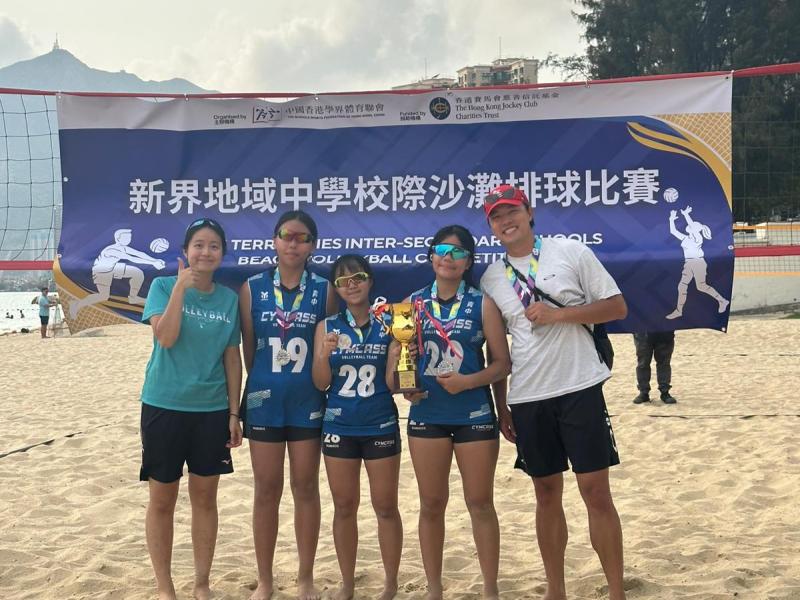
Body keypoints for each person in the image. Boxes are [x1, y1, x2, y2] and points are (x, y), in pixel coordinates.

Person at [479, 184, 628, 600]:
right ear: (491, 227)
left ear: (529, 212)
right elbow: (498, 351)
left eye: (512, 211)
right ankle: (555, 589)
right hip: (528, 396)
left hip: (579, 387)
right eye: (496, 217)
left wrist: (559, 315)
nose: (506, 221)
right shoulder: (492, 277)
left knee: (596, 492)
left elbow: (616, 307)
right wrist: (502, 406)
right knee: (545, 494)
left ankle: (616, 591)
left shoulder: (570, 251)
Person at [390, 225, 511, 600]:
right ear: (431, 257)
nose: (449, 258)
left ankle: (490, 588)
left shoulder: (482, 303)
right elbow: (401, 362)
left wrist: (468, 382)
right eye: (443, 250)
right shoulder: (409, 305)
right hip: (428, 414)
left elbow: (502, 364)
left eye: (458, 253)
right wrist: (406, 386)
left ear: (468, 262)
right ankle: (434, 588)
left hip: (474, 413)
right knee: (431, 504)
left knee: (480, 503)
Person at [139, 217, 242, 600]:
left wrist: (234, 413)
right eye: (198, 245)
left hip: (211, 410)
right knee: (162, 499)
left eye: (214, 246)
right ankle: (165, 587)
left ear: (222, 254)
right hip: (163, 405)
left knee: (204, 498)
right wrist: (181, 288)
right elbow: (165, 338)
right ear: (185, 251)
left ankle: (201, 583)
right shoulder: (163, 287)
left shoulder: (229, 299)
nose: (205, 252)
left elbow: (232, 358)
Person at [240, 210, 338, 600]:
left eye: (303, 237)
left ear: (313, 245)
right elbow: (250, 349)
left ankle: (305, 578)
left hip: (307, 400)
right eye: (287, 235)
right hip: (264, 399)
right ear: (275, 240)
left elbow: (329, 348)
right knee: (266, 489)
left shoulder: (325, 289)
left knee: (305, 487)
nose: (294, 243)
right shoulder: (251, 288)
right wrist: (262, 385)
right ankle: (265, 579)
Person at [311, 254, 403, 600]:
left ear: (370, 281)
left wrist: (393, 360)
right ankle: (347, 583)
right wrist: (322, 355)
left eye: (358, 278)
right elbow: (320, 383)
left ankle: (390, 583)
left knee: (386, 506)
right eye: (343, 281)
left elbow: (394, 386)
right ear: (336, 288)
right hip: (340, 425)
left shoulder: (390, 322)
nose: (351, 286)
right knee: (345, 506)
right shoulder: (328, 326)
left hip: (380, 423)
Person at [70, 228, 166, 319]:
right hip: (101, 270)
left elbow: (139, 254)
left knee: (137, 273)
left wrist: (155, 260)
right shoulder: (111, 250)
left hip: (114, 267)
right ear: (118, 239)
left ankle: (133, 297)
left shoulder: (123, 248)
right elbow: (131, 258)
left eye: (129, 237)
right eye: (126, 237)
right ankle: (77, 304)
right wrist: (153, 263)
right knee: (103, 296)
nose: (128, 239)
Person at [666, 206, 729, 319]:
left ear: (695, 229)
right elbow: (673, 231)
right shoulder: (686, 238)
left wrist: (686, 215)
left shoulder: (698, 238)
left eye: (693, 225)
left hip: (698, 263)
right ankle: (679, 311)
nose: (689, 226)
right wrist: (671, 219)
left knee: (701, 286)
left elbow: (691, 225)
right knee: (682, 286)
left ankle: (722, 301)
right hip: (688, 263)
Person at [632, 332, 677, 404]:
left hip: (664, 332)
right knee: (643, 363)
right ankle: (643, 392)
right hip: (643, 333)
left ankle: (665, 392)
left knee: (664, 363)